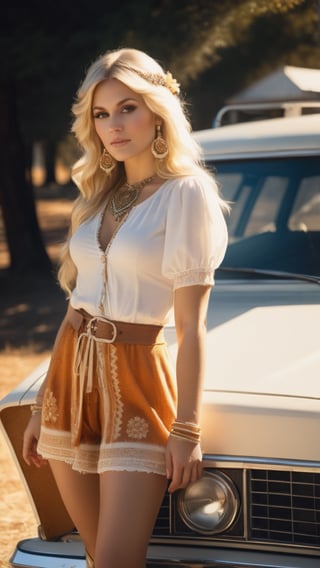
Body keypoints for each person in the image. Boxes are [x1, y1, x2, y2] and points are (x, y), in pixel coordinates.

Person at [22, 47, 229, 568]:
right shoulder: (97, 197)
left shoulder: (186, 194)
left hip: (137, 382)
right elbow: (76, 311)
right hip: (70, 380)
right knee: (95, 557)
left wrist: (187, 429)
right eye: (101, 113)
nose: (113, 124)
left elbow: (191, 324)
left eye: (128, 107)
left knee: (117, 558)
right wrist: (42, 402)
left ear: (158, 111)